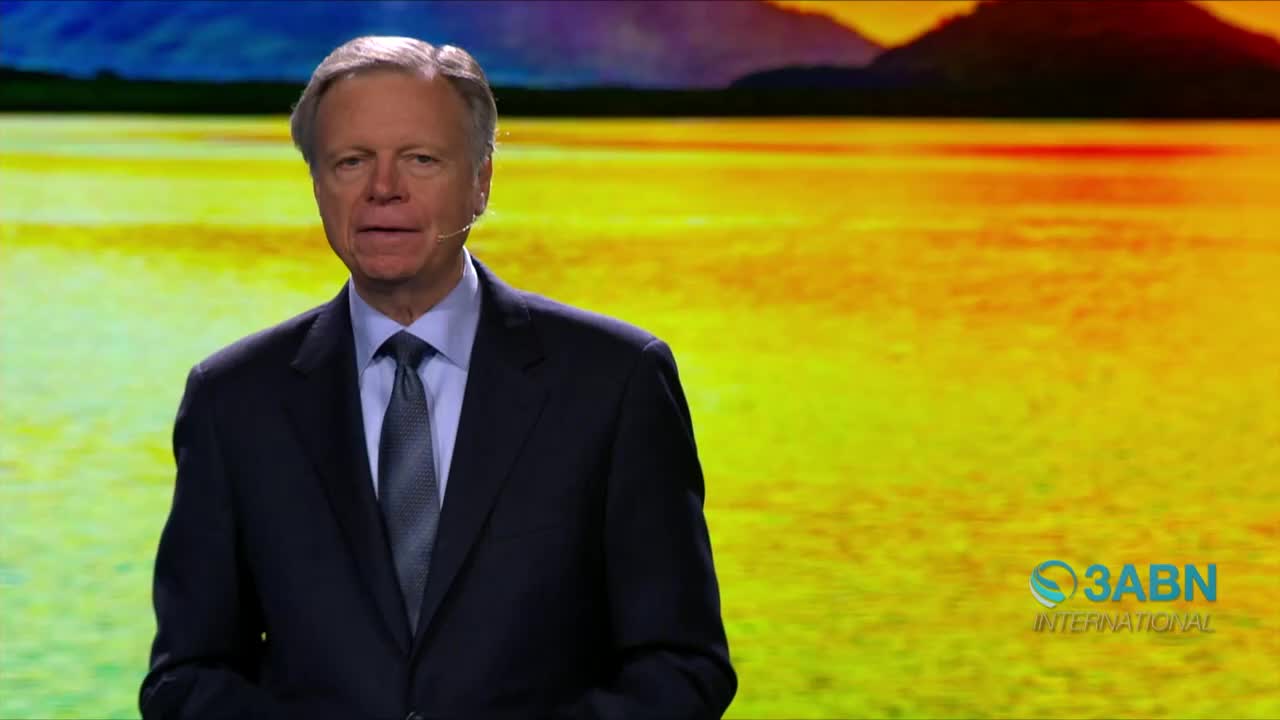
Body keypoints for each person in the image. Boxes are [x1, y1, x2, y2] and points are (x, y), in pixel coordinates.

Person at [138, 35, 735, 720]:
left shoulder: (616, 381)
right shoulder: (233, 399)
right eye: (351, 161)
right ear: (318, 185)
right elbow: (186, 678)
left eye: (420, 159)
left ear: (481, 181)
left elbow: (682, 666)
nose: (383, 188)